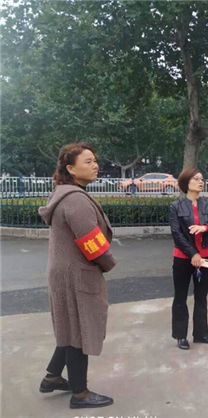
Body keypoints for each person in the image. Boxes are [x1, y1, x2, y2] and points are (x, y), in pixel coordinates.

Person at [38, 142, 116, 409]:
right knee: (79, 332)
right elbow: (92, 243)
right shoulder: (75, 200)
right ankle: (80, 394)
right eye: (88, 161)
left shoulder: (64, 193)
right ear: (70, 169)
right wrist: (109, 263)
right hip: (76, 275)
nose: (95, 166)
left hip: (64, 272)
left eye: (95, 160)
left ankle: (52, 377)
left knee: (69, 326)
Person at [169, 167, 208, 350]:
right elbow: (176, 233)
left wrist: (204, 228)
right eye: (196, 179)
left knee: (201, 296)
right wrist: (193, 254)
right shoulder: (176, 206)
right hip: (183, 258)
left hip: (204, 258)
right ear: (186, 182)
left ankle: (201, 334)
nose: (201, 182)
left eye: (202, 179)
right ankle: (180, 336)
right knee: (180, 296)